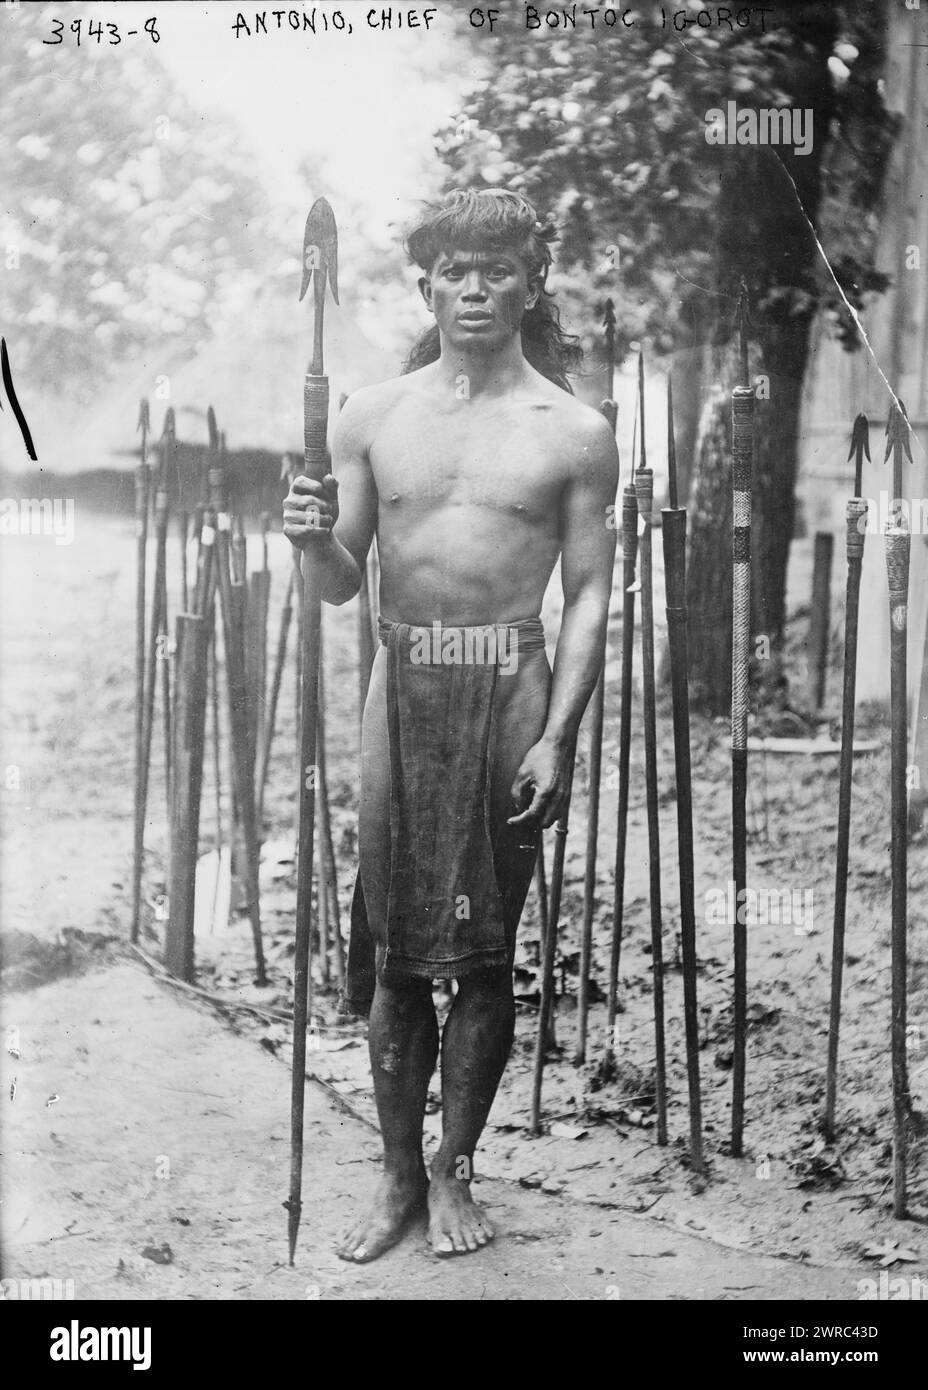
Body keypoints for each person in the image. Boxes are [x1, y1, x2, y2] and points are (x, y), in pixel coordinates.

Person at [283, 188, 618, 1261]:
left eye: (495, 268)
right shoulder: (371, 417)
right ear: (426, 285)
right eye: (453, 270)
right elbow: (341, 582)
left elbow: (591, 597)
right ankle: (394, 1180)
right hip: (405, 683)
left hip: (509, 684)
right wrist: (308, 541)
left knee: (481, 957)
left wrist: (558, 733)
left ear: (530, 283)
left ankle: (455, 1168)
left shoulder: (573, 431)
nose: (474, 288)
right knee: (392, 953)